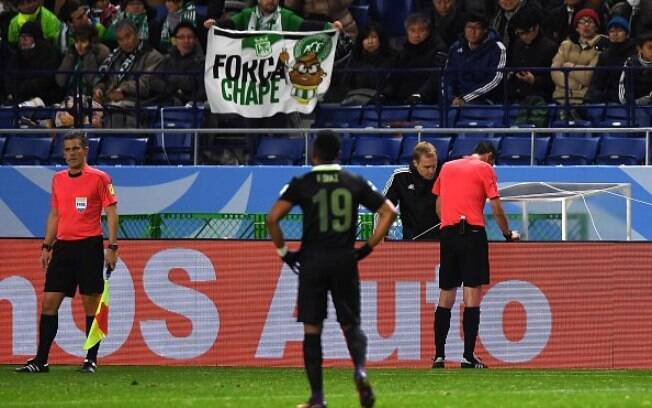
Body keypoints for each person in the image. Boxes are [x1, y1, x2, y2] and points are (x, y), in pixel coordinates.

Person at [266, 131, 397, 408]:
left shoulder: (304, 182)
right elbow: (389, 212)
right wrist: (367, 248)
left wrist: (284, 254)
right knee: (351, 324)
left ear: (314, 154)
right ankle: (360, 370)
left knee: (312, 328)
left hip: (312, 261)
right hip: (344, 260)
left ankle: (317, 398)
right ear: (339, 154)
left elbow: (273, 218)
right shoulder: (353, 181)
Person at [15, 131, 119, 374]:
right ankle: (41, 361)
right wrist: (47, 245)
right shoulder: (58, 179)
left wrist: (112, 247)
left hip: (89, 246)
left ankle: (90, 359)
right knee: (49, 302)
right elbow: (55, 214)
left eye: (75, 148)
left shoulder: (100, 178)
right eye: (67, 149)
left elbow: (112, 213)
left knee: (90, 304)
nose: (71, 153)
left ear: (86, 150)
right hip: (63, 247)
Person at [431, 141, 519, 369]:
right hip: (472, 233)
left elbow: (439, 204)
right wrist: (508, 234)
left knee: (446, 295)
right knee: (471, 295)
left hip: (448, 234)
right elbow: (496, 207)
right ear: (489, 156)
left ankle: (439, 356)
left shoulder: (447, 167)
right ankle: (467, 356)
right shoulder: (485, 168)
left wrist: (448, 223)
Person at [550, 8, 608, 118]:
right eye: (582, 22)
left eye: (590, 22)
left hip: (584, 101)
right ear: (576, 27)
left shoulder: (601, 48)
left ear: (596, 26)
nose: (586, 25)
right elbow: (554, 71)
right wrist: (577, 84)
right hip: (560, 98)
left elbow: (589, 76)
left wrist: (571, 67)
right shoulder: (566, 45)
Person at [383, 12, 447, 104]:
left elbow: (436, 78)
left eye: (421, 30)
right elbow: (394, 78)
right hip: (400, 100)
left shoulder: (439, 49)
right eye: (412, 30)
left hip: (427, 101)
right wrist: (385, 94)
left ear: (429, 31)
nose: (417, 35)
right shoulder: (402, 51)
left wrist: (420, 95)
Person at [443, 13, 507, 106]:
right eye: (469, 27)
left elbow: (495, 80)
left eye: (477, 28)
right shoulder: (455, 47)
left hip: (486, 100)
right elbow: (447, 77)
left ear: (485, 30)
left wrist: (466, 98)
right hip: (456, 100)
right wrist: (451, 98)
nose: (472, 32)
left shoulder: (498, 48)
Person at [382, 141, 441, 240]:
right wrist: (383, 234)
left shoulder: (444, 174)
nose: (431, 171)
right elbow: (385, 207)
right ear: (415, 163)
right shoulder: (400, 177)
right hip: (411, 241)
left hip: (439, 240)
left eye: (434, 166)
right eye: (426, 167)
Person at [506, 7, 558, 103]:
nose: (523, 36)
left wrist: (534, 80)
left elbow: (554, 81)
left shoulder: (550, 47)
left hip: (540, 98)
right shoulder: (517, 44)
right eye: (520, 33)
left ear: (536, 28)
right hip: (515, 96)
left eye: (526, 32)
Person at [585, 15, 636, 104]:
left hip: (632, 97)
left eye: (619, 30)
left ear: (627, 34)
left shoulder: (635, 53)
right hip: (609, 98)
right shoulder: (604, 56)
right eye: (612, 31)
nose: (615, 34)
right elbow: (597, 81)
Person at [619, 33, 652, 106]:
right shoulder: (630, 62)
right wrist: (630, 102)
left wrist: (647, 99)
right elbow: (623, 85)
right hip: (632, 105)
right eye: (650, 48)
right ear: (640, 49)